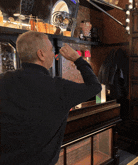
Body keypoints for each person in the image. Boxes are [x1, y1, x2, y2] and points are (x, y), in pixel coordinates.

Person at [0, 31, 102, 164]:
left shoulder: (3, 80)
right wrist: (78, 59)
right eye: (51, 50)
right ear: (41, 54)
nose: (53, 55)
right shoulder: (58, 88)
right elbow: (95, 87)